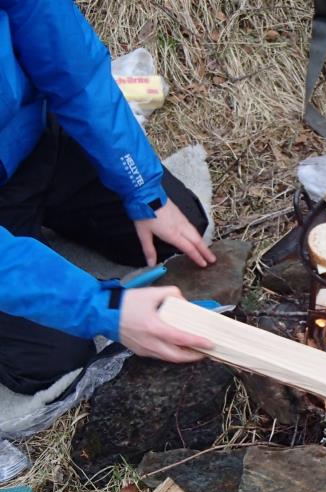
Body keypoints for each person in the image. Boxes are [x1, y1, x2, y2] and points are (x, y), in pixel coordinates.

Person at [0, 0, 216, 395]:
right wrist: (103, 308)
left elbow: (74, 73)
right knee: (54, 359)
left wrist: (142, 190)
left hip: (33, 143)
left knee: (177, 227)